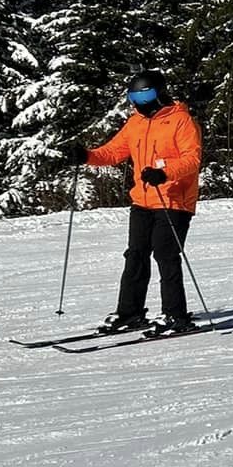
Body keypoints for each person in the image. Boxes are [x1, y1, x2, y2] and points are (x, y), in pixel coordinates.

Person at [80, 71, 204, 333]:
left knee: (165, 255)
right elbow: (113, 152)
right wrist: (87, 156)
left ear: (159, 93)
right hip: (143, 200)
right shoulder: (136, 122)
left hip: (173, 200)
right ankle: (130, 313)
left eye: (145, 95)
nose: (139, 101)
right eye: (133, 96)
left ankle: (174, 315)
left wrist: (165, 172)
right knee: (135, 255)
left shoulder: (181, 120)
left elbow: (192, 159)